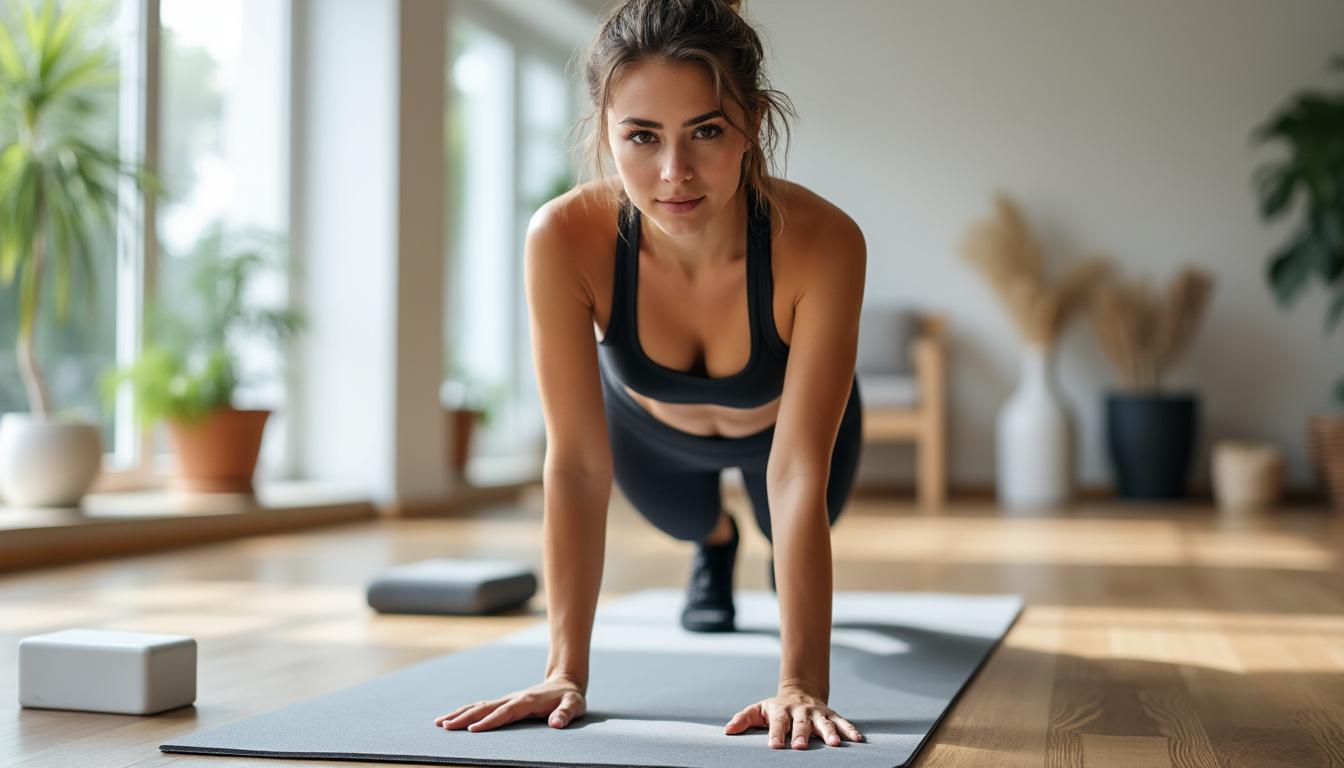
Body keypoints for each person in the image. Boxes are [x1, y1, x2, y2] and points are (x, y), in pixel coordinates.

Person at [434, 0, 866, 751]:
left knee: (790, 523)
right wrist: (563, 671)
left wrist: (802, 683)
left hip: (786, 435)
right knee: (693, 523)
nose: (674, 174)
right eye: (641, 136)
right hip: (650, 439)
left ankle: (756, 548)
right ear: (605, 127)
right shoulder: (564, 237)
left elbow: (798, 472)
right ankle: (714, 541)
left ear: (752, 122)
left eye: (705, 130)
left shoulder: (824, 241)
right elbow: (573, 463)